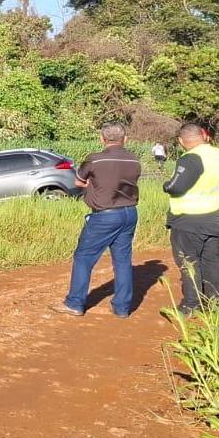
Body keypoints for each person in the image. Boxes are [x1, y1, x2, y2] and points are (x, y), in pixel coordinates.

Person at [59, 121, 141, 318]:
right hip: (129, 212)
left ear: (102, 139)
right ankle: (122, 308)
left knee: (84, 257)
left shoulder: (95, 160)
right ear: (125, 139)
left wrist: (93, 187)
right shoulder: (134, 160)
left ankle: (75, 302)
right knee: (122, 261)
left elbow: (79, 180)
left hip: (104, 215)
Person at [163, 120, 219, 313]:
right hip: (218, 217)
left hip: (191, 218)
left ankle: (191, 303)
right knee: (211, 260)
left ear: (181, 141)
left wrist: (166, 185)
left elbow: (176, 186)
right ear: (204, 136)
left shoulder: (191, 158)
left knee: (189, 262)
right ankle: (215, 302)